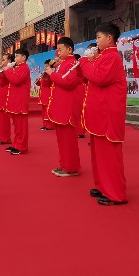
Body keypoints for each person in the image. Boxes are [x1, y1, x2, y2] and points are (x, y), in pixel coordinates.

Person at [79, 23, 128, 206]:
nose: (97, 41)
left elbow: (99, 78)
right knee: (99, 153)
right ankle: (103, 186)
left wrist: (85, 62)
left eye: (99, 37)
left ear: (109, 38)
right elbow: (89, 78)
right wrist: (85, 65)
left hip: (108, 112)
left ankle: (116, 193)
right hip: (99, 112)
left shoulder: (112, 56)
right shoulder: (102, 57)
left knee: (109, 155)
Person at [44, 37, 84, 177]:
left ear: (70, 49)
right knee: (62, 140)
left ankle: (71, 167)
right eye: (57, 50)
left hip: (67, 106)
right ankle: (64, 165)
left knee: (68, 140)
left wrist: (52, 74)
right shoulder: (62, 64)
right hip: (61, 106)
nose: (58, 53)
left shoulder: (73, 63)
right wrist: (49, 74)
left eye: (60, 50)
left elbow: (69, 82)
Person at [4, 48, 32, 155]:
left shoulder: (24, 68)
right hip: (15, 100)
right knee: (16, 125)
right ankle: (16, 144)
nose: (15, 58)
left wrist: (8, 70)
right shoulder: (17, 67)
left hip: (20, 100)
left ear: (24, 57)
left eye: (17, 56)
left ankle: (22, 146)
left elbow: (16, 80)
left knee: (21, 125)